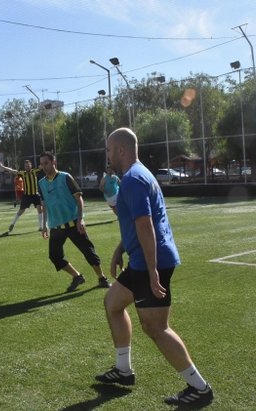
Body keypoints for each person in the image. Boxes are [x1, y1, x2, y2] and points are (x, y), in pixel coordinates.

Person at [96, 128, 213, 407]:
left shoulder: (134, 179)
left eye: (110, 150)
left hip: (152, 262)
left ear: (121, 150)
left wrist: (151, 271)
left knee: (156, 327)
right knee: (113, 302)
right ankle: (123, 371)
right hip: (142, 260)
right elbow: (137, 221)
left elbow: (146, 225)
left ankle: (200, 387)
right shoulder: (136, 176)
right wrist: (120, 248)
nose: (108, 155)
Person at [37, 152, 110, 291]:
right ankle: (77, 276)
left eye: (46, 163)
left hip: (73, 223)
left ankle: (102, 278)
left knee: (88, 251)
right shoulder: (41, 183)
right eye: (42, 164)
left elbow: (79, 198)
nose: (44, 166)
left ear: (54, 162)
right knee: (54, 256)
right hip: (56, 227)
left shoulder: (65, 177)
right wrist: (44, 224)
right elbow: (45, 205)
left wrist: (80, 219)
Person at [0, 160, 43, 233]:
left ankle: (41, 227)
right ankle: (12, 223)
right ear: (24, 167)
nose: (27, 167)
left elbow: (42, 166)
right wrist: (2, 167)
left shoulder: (35, 171)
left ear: (31, 165)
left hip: (35, 194)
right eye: (26, 166)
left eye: (28, 165)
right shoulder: (22, 173)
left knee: (40, 209)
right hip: (27, 195)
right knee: (21, 210)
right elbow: (12, 171)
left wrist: (49, 161)